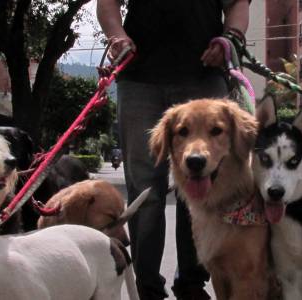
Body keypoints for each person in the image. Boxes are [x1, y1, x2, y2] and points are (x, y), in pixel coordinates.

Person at [97, 1, 250, 299]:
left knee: (201, 188)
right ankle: (147, 285)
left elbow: (237, 4)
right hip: (139, 77)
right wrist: (117, 36)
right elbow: (108, 3)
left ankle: (192, 282)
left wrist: (231, 37)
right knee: (144, 189)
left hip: (204, 74)